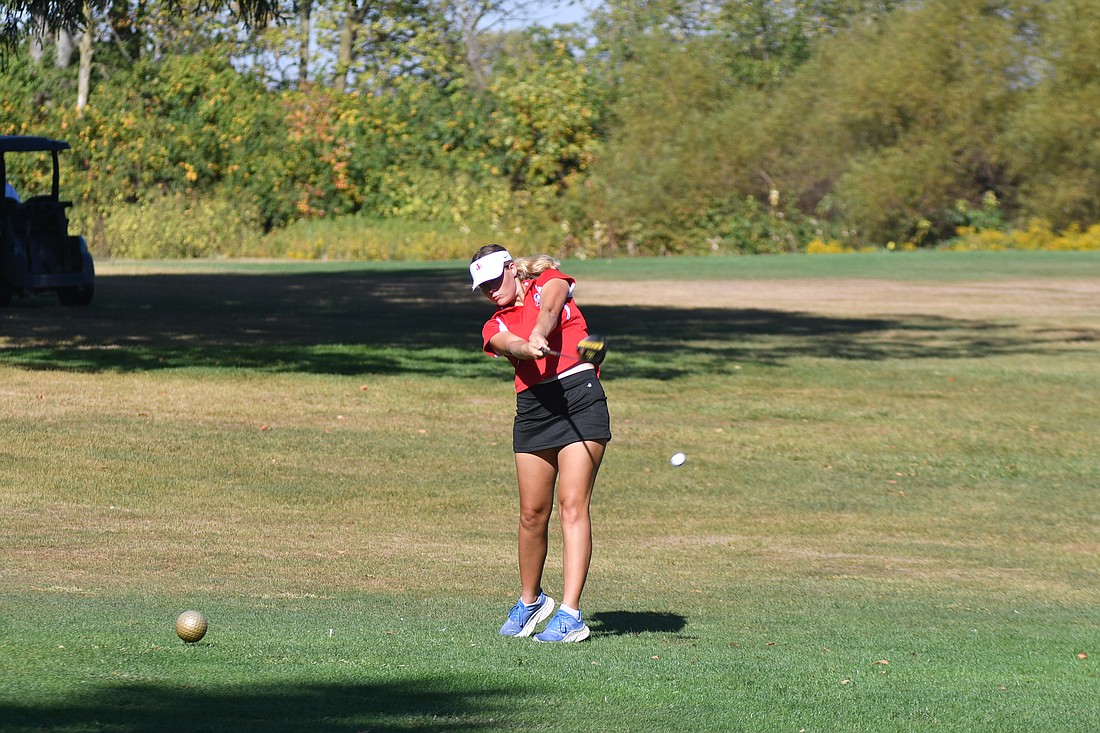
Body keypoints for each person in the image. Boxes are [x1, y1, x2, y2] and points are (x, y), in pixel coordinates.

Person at [470, 244, 611, 643]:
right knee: (532, 513)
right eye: (483, 287)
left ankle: (570, 614)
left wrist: (537, 333)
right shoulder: (494, 324)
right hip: (533, 409)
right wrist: (523, 345)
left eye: (495, 281)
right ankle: (531, 601)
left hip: (580, 398)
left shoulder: (550, 281)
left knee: (571, 505)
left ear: (513, 269)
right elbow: (506, 345)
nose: (491, 291)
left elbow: (550, 310)